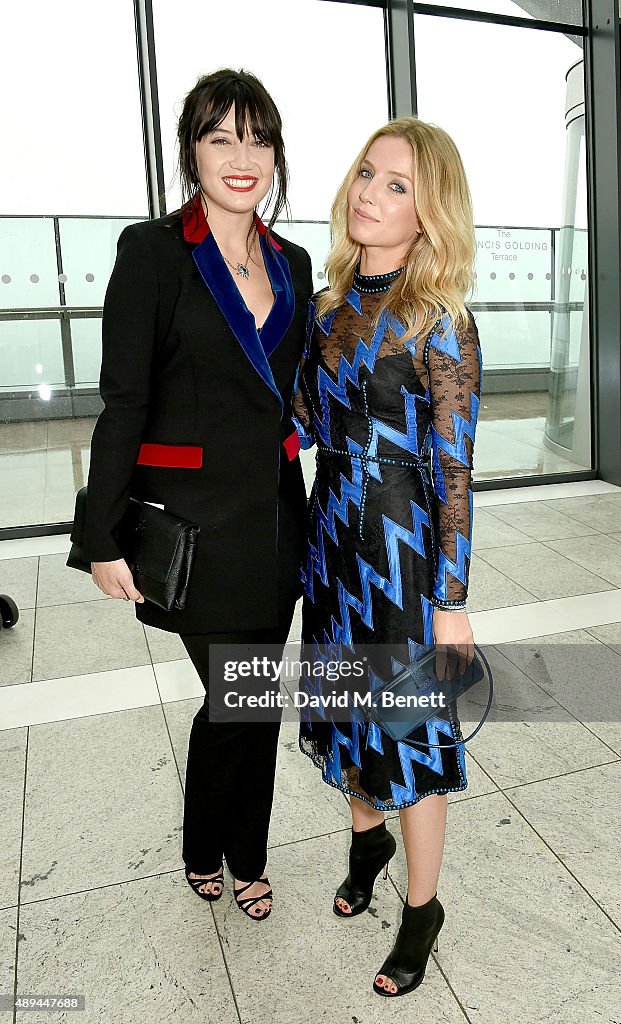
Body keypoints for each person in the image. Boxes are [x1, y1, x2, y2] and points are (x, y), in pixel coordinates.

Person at [80, 69, 313, 921]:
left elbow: (294, 390)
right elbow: (124, 403)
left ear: (276, 155)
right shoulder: (153, 253)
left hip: (279, 527)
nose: (240, 157)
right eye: (221, 137)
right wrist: (99, 535)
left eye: (257, 139)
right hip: (193, 532)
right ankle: (223, 850)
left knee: (253, 703)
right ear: (192, 150)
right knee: (237, 700)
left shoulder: (291, 262)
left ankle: (224, 850)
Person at [292, 116, 482, 993]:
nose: (370, 192)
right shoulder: (327, 307)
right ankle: (364, 842)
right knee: (348, 705)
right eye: (368, 173)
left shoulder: (438, 320)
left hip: (403, 545)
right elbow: (298, 424)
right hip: (332, 535)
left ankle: (422, 908)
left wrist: (451, 599)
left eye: (397, 184)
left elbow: (454, 469)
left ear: (428, 210)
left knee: (406, 728)